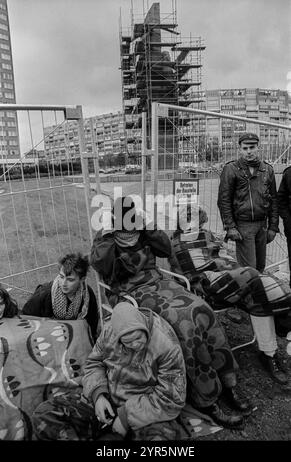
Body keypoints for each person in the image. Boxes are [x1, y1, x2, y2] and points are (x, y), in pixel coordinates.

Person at [89, 195, 253, 429]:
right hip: (130, 293)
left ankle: (227, 382)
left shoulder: (142, 230)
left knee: (201, 308)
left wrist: (150, 227)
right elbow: (101, 265)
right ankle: (206, 398)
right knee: (184, 322)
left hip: (159, 283)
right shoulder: (106, 237)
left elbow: (165, 250)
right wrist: (107, 234)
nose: (129, 226)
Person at [32, 301, 186, 441]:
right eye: (128, 342)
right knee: (44, 414)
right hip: (108, 401)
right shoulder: (109, 332)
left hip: (144, 408)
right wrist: (98, 395)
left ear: (144, 328)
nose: (135, 344)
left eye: (138, 337)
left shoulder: (166, 345)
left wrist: (125, 417)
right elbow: (94, 364)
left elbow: (171, 398)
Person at [217, 132, 288, 385]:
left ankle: (250, 307)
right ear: (239, 148)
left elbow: (273, 202)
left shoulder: (268, 170)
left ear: (259, 147)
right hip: (243, 226)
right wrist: (230, 227)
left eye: (253, 147)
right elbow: (224, 200)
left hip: (261, 226)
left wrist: (272, 226)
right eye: (246, 147)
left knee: (258, 268)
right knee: (250, 273)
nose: (250, 151)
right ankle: (252, 311)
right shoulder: (231, 170)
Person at [169, 206, 291, 332]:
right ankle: (283, 313)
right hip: (206, 287)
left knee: (256, 292)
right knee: (252, 277)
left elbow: (219, 255)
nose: (201, 225)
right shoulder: (182, 241)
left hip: (217, 281)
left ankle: (270, 347)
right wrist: (225, 266)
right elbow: (195, 267)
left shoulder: (194, 236)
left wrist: (226, 264)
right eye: (199, 222)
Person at [22, 253, 99, 342]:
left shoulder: (87, 295)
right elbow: (27, 317)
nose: (63, 283)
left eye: (70, 280)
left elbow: (92, 324)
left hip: (75, 339)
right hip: (46, 339)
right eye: (61, 277)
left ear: (82, 279)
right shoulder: (45, 293)